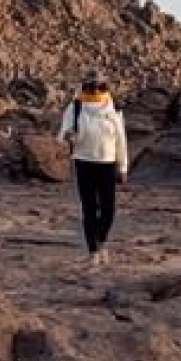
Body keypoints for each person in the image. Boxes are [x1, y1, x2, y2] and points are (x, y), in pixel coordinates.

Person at [57, 70, 131, 268]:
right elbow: (62, 135)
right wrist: (69, 136)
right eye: (92, 86)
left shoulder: (113, 108)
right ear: (85, 87)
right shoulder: (75, 107)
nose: (96, 90)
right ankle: (93, 251)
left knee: (108, 209)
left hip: (107, 163)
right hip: (84, 162)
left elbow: (121, 139)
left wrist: (123, 166)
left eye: (100, 86)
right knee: (89, 208)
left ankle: (101, 239)